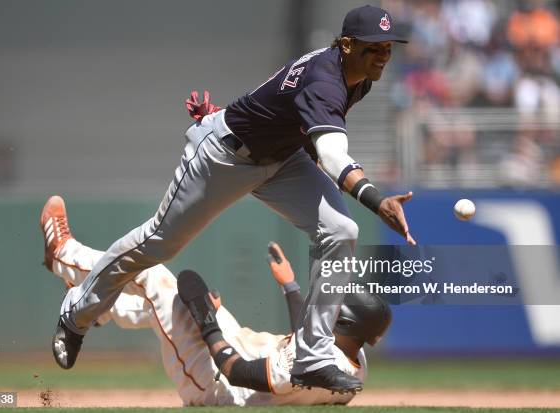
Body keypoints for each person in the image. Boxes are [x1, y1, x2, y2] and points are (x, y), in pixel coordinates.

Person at [52, 4, 414, 393]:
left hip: (281, 158)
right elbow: (331, 155)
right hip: (224, 157)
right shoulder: (326, 79)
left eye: (388, 47)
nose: (383, 55)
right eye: (373, 47)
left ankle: (312, 356)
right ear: (345, 45)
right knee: (157, 244)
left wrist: (246, 118)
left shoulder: (357, 80)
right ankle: (76, 315)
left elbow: (296, 120)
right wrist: (378, 201)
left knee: (341, 230)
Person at [41, 196, 392, 405]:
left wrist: (209, 322)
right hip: (243, 347)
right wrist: (291, 288)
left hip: (215, 385)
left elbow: (236, 373)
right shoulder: (352, 355)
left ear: (345, 324)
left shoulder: (309, 369)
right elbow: (308, 335)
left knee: (154, 276)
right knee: (166, 303)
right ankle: (96, 309)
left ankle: (62, 254)